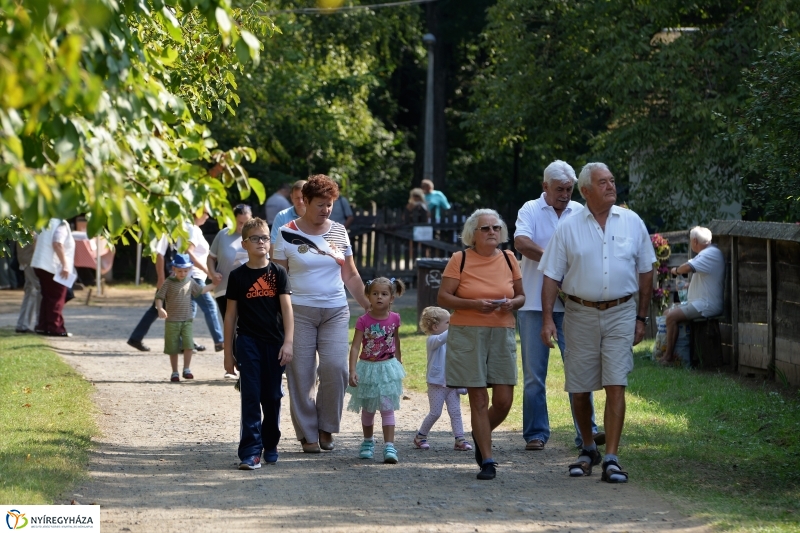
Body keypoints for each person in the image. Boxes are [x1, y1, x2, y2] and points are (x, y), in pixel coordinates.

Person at [539, 162, 655, 484]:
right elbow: (551, 275)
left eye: (612, 181)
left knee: (616, 382)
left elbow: (647, 271)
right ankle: (588, 447)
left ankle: (612, 458)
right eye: (602, 182)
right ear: (586, 191)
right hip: (579, 313)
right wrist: (548, 319)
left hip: (621, 312)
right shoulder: (569, 226)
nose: (610, 186)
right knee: (579, 387)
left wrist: (641, 318)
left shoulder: (632, 222)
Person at [272, 174, 370, 453]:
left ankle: (327, 427)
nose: (326, 209)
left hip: (335, 311)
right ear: (305, 201)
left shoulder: (339, 231)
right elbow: (278, 278)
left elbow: (350, 274)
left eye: (329, 204)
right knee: (301, 374)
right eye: (320, 204)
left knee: (335, 368)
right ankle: (307, 434)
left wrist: (367, 305)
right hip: (298, 311)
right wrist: (275, 315)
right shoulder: (286, 232)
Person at [514, 160, 602, 451]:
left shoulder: (580, 211)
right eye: (559, 189)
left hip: (574, 303)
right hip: (533, 305)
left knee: (579, 370)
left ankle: (586, 432)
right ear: (545, 187)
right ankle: (536, 433)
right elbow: (522, 243)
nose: (565, 194)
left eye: (569, 189)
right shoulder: (530, 209)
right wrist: (556, 261)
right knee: (534, 375)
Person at [438, 209, 525, 481]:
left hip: (502, 332)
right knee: (478, 398)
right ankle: (487, 459)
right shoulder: (459, 259)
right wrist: (474, 305)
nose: (492, 232)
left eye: (496, 228)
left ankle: (479, 434)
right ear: (472, 234)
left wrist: (513, 303)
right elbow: (443, 297)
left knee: (503, 400)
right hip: (467, 332)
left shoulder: (510, 259)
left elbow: (522, 296)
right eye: (485, 228)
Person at [223, 218, 294, 469]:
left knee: (272, 397)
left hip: (274, 344)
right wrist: (227, 352)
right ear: (245, 243)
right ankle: (251, 452)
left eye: (264, 238)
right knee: (251, 396)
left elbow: (287, 311)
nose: (261, 242)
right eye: (255, 238)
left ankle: (271, 442)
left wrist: (288, 342)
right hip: (247, 342)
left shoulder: (278, 273)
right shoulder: (237, 276)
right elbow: (231, 315)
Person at [346, 277, 406, 464]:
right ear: (368, 296)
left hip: (387, 369)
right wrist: (352, 370)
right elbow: (355, 347)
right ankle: (368, 442)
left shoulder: (395, 318)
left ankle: (389, 446)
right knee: (369, 408)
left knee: (387, 408)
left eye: (384, 294)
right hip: (368, 369)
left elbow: (396, 341)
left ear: (392, 298)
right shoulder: (363, 320)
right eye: (375, 293)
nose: (379, 297)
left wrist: (399, 363)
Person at [662, 226, 725, 365]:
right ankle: (676, 354)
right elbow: (708, 280)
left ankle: (668, 358)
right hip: (700, 302)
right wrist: (689, 285)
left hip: (706, 305)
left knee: (672, 317)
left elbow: (688, 267)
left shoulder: (708, 254)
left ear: (695, 241)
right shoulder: (710, 253)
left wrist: (676, 271)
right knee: (667, 313)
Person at [412, 306, 472, 452]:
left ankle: (460, 439)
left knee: (455, 412)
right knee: (435, 413)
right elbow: (441, 338)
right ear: (435, 326)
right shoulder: (432, 340)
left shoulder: (450, 340)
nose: (451, 326)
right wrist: (457, 324)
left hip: (452, 383)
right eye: (448, 323)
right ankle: (420, 437)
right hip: (436, 383)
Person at [155, 253, 218, 382]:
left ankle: (186, 369)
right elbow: (159, 297)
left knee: (189, 345)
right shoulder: (168, 282)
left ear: (189, 269)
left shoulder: (190, 281)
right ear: (173, 269)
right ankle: (174, 372)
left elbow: (200, 290)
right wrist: (160, 308)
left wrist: (214, 285)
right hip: (172, 321)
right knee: (173, 347)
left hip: (187, 320)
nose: (182, 273)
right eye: (179, 271)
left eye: (185, 271)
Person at [184, 211, 225, 352]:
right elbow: (189, 252)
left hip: (191, 276)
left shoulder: (191, 228)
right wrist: (209, 272)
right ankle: (219, 341)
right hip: (194, 276)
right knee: (210, 306)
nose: (208, 216)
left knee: (190, 311)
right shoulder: (193, 229)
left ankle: (184, 342)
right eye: (206, 213)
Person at [31, 218, 76, 337]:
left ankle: (43, 326)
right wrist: (65, 265)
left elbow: (34, 239)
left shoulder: (43, 221)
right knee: (57, 298)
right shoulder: (61, 224)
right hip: (53, 266)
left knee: (46, 297)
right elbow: (57, 243)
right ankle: (55, 327)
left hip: (40, 264)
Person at [208, 204, 253, 319]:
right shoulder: (223, 234)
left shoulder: (256, 236)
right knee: (229, 326)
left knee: (245, 326)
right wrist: (213, 273)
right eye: (240, 222)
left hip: (248, 289)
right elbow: (211, 258)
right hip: (223, 289)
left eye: (246, 222)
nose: (243, 227)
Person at [269, 180, 307, 259]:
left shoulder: (317, 216)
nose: (300, 201)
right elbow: (273, 244)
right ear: (291, 197)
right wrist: (277, 269)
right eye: (297, 198)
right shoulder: (281, 216)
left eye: (303, 198)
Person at [15, 238, 41, 334]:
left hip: (26, 258)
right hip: (31, 259)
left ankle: (23, 324)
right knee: (38, 289)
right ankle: (39, 323)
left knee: (31, 289)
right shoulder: (31, 224)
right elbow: (35, 240)